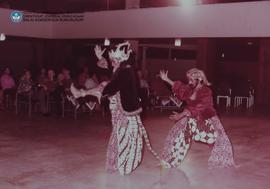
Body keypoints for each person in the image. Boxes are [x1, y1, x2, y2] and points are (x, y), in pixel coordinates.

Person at [78, 42, 159, 175]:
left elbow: (112, 86)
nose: (112, 62)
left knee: (126, 138)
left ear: (121, 59)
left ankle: (124, 165)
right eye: (112, 60)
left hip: (127, 112)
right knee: (117, 136)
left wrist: (98, 91)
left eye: (114, 60)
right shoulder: (121, 68)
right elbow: (109, 71)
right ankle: (115, 164)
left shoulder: (126, 70)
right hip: (121, 109)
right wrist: (99, 58)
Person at [159, 68, 235, 169]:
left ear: (200, 79)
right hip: (195, 121)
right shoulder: (190, 88)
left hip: (207, 124)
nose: (189, 82)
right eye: (189, 80)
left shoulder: (206, 92)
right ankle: (172, 160)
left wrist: (180, 115)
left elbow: (198, 109)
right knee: (182, 133)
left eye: (191, 80)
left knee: (216, 142)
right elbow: (181, 89)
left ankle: (217, 151)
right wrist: (167, 79)